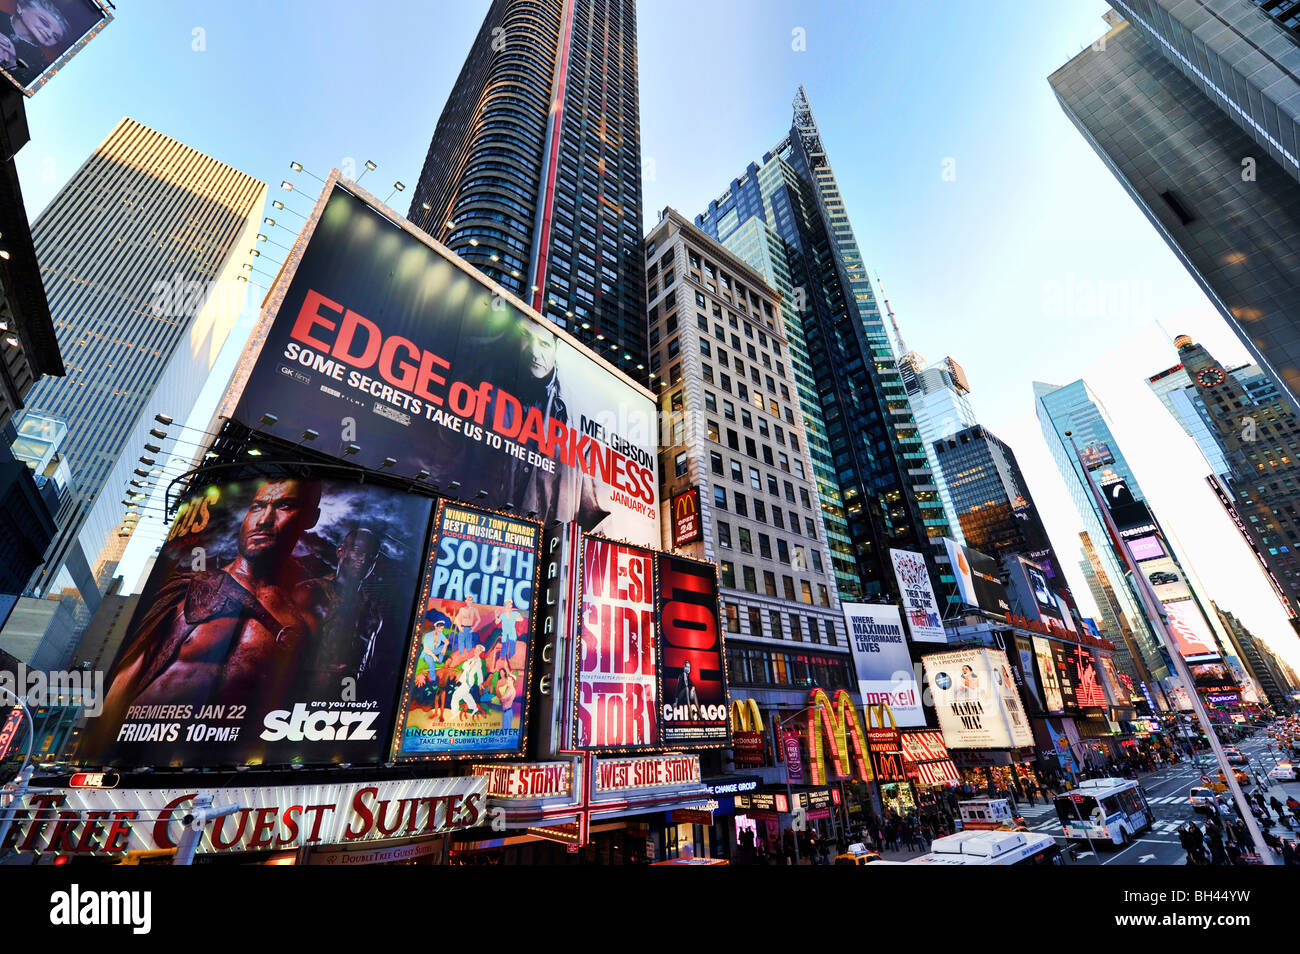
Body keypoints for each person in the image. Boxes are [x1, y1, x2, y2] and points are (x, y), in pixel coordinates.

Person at [85, 478, 323, 755]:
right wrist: (96, 757)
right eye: (258, 507)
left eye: (284, 506)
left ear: (309, 517)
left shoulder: (304, 619)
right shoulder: (188, 590)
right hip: (136, 751)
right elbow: (127, 677)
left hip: (226, 765)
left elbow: (291, 703)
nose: (264, 520)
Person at [499, 322, 610, 530]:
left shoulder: (578, 416)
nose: (534, 353)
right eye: (526, 337)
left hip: (550, 546)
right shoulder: (490, 390)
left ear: (556, 347)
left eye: (544, 344)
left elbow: (594, 513)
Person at [294, 526, 385, 699]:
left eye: (371, 556)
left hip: (350, 700)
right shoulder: (311, 592)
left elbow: (367, 665)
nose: (363, 560)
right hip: (306, 696)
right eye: (358, 552)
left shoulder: (373, 610)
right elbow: (284, 655)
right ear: (340, 551)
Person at [0, 0, 68, 86]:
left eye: (55, 37)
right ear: (20, 8)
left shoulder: (41, 64)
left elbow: (25, 87)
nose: (49, 33)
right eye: (44, 22)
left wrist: (11, 63)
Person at [450, 645, 487, 719]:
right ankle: (475, 708)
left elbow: (479, 673)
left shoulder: (478, 662)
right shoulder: (471, 659)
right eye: (475, 649)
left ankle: (455, 711)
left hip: (468, 682)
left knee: (455, 696)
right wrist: (468, 665)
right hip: (465, 681)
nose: (475, 651)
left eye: (477, 650)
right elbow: (464, 667)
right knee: (466, 696)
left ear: (480, 652)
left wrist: (480, 683)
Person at [493, 598, 525, 673]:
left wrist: (515, 617)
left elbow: (521, 619)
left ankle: (510, 669)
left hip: (512, 636)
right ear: (505, 606)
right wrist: (496, 615)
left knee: (511, 651)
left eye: (509, 605)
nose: (508, 606)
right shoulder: (503, 615)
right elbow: (497, 622)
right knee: (504, 651)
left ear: (511, 606)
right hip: (505, 636)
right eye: (506, 605)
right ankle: (501, 669)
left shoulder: (515, 614)